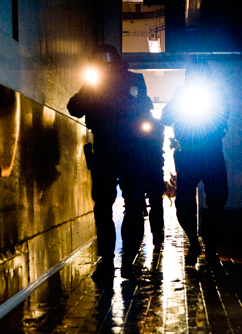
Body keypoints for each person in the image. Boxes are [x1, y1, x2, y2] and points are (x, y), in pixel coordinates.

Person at [67, 44, 154, 278]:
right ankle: (114, 263)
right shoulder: (100, 83)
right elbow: (74, 108)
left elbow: (144, 110)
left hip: (123, 150)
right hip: (113, 151)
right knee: (112, 208)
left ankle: (121, 263)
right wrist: (92, 89)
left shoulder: (132, 80)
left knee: (126, 207)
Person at [160, 59, 230, 265]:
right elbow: (165, 117)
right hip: (190, 154)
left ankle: (210, 248)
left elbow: (224, 116)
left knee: (217, 200)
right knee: (184, 202)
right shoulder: (181, 94)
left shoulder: (216, 93)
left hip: (210, 153)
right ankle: (194, 243)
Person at [139, 116, 166, 248]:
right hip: (153, 169)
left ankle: (155, 235)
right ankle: (157, 235)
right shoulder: (157, 125)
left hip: (142, 168)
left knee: (137, 204)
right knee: (156, 204)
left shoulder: (133, 121)